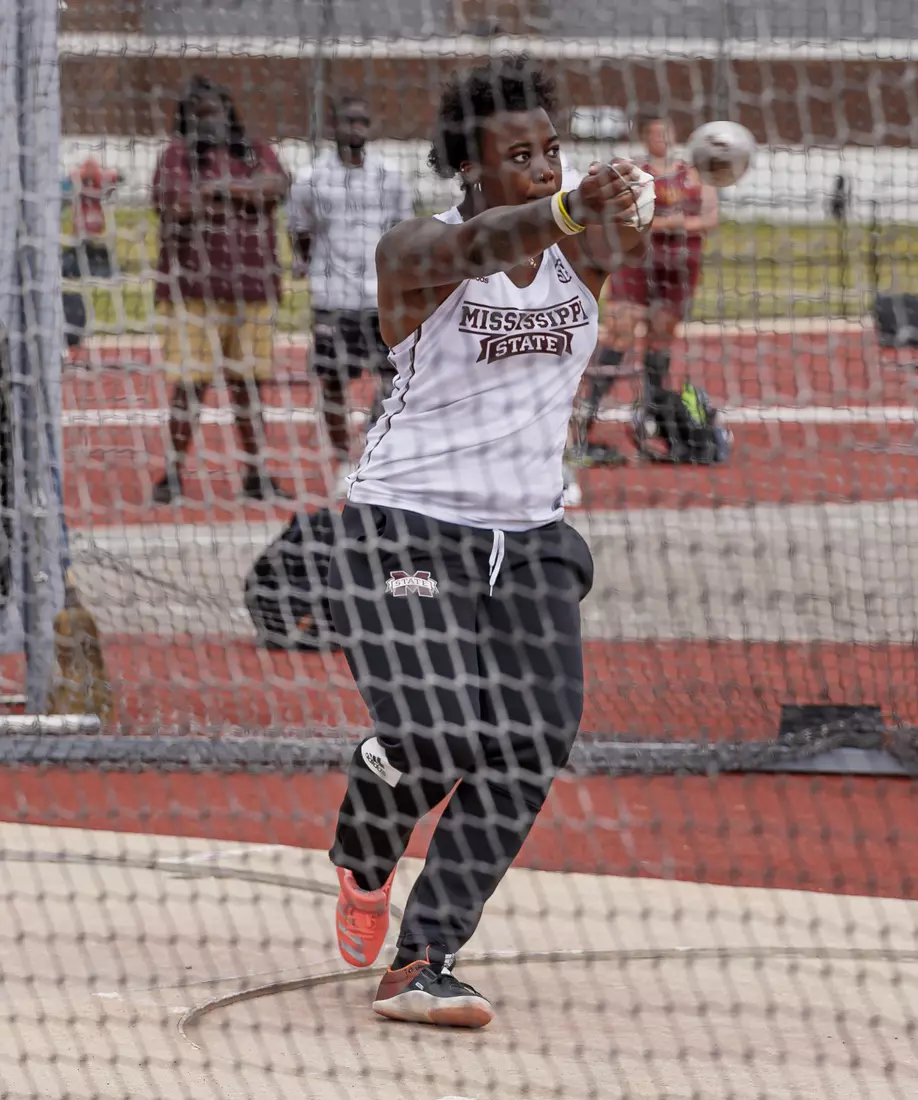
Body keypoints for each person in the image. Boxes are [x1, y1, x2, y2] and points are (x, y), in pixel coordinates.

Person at [326, 55, 648, 1029]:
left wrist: (634, 194)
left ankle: (424, 956)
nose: (546, 166)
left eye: (552, 148)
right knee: (437, 733)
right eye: (520, 154)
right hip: (405, 526)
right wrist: (563, 207)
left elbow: (616, 229)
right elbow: (477, 246)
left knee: (530, 739)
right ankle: (367, 824)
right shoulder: (415, 248)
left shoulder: (579, 252)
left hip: (534, 534)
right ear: (469, 166)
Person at [149, 76, 291, 503]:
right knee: (189, 386)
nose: (209, 120)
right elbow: (176, 205)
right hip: (193, 291)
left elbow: (277, 187)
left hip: (251, 288)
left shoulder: (254, 148)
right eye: (200, 114)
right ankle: (173, 472)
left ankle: (255, 472)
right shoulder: (175, 155)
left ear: (229, 113)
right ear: (187, 119)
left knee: (249, 386)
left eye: (216, 111)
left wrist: (218, 189)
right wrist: (243, 196)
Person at [289, 95, 416, 497]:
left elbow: (402, 232)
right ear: (334, 125)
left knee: (392, 378)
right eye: (349, 121)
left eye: (362, 120)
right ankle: (344, 457)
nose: (356, 128)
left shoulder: (391, 176)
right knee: (331, 381)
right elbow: (300, 231)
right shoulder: (310, 178)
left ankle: (375, 450)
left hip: (379, 297)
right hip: (332, 295)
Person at [575, 112, 718, 461]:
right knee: (620, 331)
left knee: (660, 337)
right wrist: (662, 223)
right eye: (655, 132)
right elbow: (624, 218)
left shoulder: (694, 174)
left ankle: (651, 419)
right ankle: (584, 417)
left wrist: (681, 222)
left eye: (667, 132)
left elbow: (711, 218)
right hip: (639, 264)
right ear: (645, 137)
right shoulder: (636, 173)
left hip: (679, 269)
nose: (662, 138)